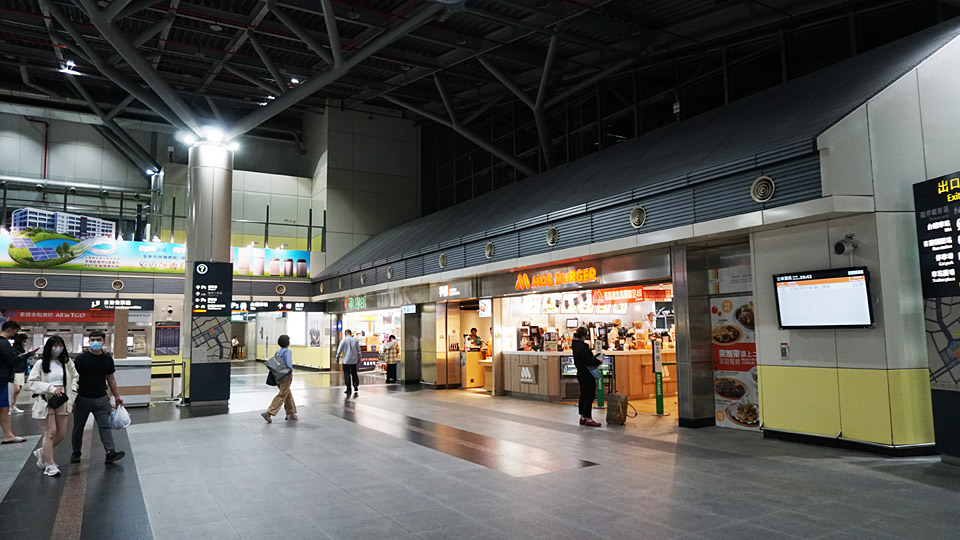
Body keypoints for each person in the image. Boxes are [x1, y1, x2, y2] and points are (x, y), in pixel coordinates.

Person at [26, 336, 79, 477]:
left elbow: (75, 376)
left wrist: (73, 391)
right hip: (46, 400)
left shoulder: (67, 362)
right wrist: (50, 388)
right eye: (55, 346)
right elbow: (32, 382)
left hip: (63, 399)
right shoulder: (40, 364)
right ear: (49, 347)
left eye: (60, 346)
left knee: (61, 433)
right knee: (50, 432)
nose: (58, 349)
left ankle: (43, 452)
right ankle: (49, 464)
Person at [71, 330, 125, 465]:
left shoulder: (107, 359)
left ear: (104, 341)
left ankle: (110, 452)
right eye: (93, 339)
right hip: (82, 398)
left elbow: (111, 379)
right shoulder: (81, 359)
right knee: (78, 427)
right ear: (89, 341)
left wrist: (117, 396)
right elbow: (73, 379)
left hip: (101, 398)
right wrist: (72, 398)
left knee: (105, 426)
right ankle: (76, 452)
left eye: (99, 339)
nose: (96, 342)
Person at [0, 321, 28, 444]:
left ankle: (8, 434)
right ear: (10, 330)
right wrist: (25, 356)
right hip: (2, 379)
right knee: (4, 407)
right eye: (15, 332)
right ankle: (8, 435)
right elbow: (12, 360)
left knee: (4, 407)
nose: (15, 335)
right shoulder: (4, 344)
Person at [261, 335, 297, 423]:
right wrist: (291, 370)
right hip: (286, 376)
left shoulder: (278, 352)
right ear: (288, 343)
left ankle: (291, 413)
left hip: (278, 376)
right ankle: (269, 412)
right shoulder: (288, 351)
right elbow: (288, 363)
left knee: (287, 393)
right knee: (282, 394)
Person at [572, 327, 602, 427]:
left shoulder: (575, 345)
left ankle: (582, 417)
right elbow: (589, 360)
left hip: (580, 372)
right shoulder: (583, 347)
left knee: (583, 395)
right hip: (587, 374)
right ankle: (588, 418)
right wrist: (598, 361)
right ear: (585, 335)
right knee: (589, 395)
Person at [11, 333, 39, 414]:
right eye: (24, 341)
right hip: (16, 371)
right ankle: (10, 406)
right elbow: (17, 359)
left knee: (18, 389)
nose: (25, 343)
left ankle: (13, 405)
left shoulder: (21, 349)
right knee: (16, 389)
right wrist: (28, 354)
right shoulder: (14, 349)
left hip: (21, 370)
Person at [337, 330, 360, 395]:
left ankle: (348, 388)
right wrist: (359, 359)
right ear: (351, 333)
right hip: (354, 360)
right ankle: (355, 385)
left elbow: (339, 350)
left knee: (347, 375)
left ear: (345, 334)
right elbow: (359, 351)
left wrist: (337, 357)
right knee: (354, 373)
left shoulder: (343, 340)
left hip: (346, 361)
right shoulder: (355, 340)